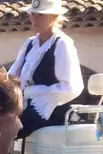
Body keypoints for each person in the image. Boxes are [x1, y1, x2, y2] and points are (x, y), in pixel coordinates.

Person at [8, 0, 84, 139]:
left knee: (4, 129)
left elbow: (72, 87)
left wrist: (35, 92)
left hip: (51, 113)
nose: (35, 19)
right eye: (33, 14)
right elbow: (13, 75)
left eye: (41, 15)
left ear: (54, 17)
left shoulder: (62, 44)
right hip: (26, 108)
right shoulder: (30, 43)